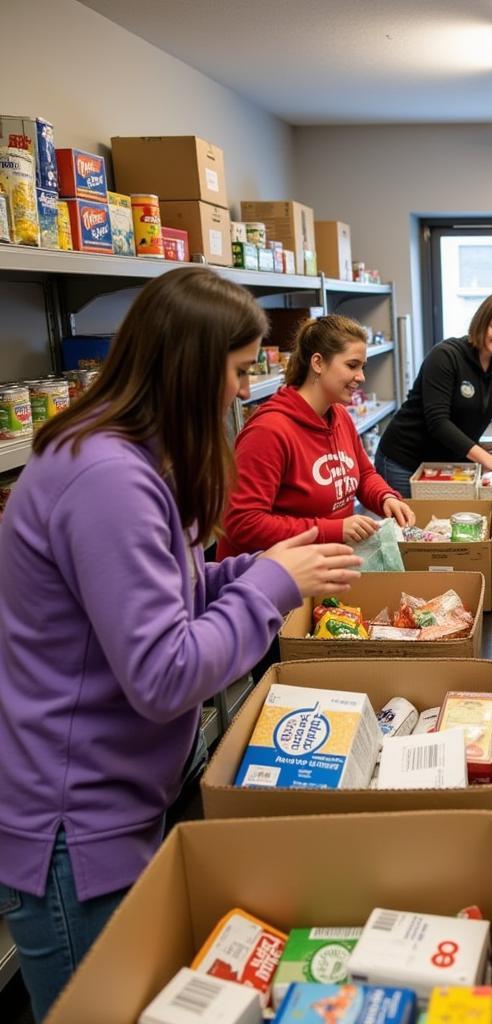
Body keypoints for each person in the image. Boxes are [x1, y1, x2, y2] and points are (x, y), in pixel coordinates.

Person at [0, 267, 362, 1020]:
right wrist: (269, 587)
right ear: (193, 368)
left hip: (127, 795)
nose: (243, 391)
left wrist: (258, 569)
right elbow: (164, 673)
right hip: (79, 824)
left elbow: (172, 592)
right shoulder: (104, 477)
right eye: (236, 373)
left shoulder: (128, 457)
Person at [218, 313, 415, 559]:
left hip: (321, 568)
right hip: (270, 579)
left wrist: (384, 497)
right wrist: (334, 529)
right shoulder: (269, 431)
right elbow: (243, 523)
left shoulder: (339, 415)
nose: (361, 377)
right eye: (352, 365)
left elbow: (363, 474)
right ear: (318, 363)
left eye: (362, 367)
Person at [374, 291, 492, 496]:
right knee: (409, 526)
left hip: (450, 462)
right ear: (482, 322)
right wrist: (485, 457)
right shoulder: (445, 356)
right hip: (405, 460)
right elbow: (438, 422)